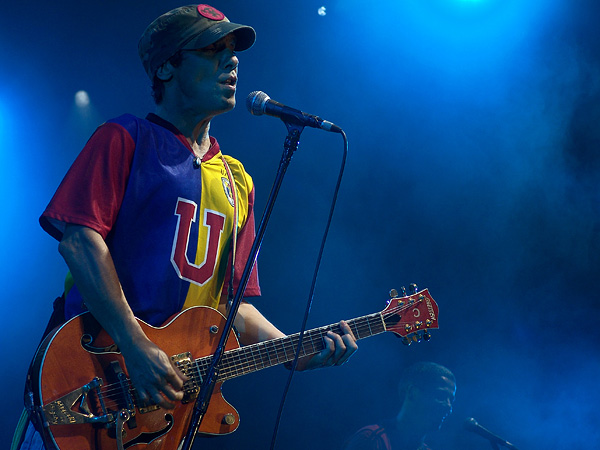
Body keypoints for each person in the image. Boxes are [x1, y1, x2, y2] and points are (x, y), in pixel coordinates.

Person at [13, 4, 357, 449]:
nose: (231, 61)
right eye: (213, 49)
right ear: (166, 67)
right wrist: (136, 348)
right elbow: (79, 242)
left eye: (233, 51)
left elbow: (235, 305)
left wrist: (294, 350)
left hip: (163, 411)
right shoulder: (124, 138)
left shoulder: (238, 181)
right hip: (89, 379)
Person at [341, 362, 456, 450]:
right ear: (412, 392)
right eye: (440, 396)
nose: (448, 406)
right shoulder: (371, 438)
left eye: (451, 400)